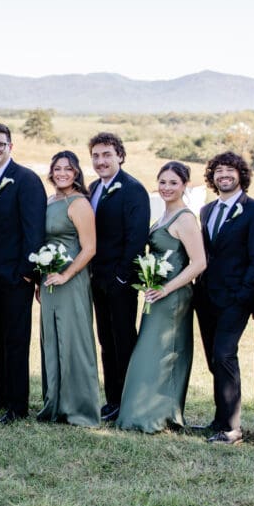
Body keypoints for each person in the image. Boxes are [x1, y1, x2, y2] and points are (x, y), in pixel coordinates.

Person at [117, 162, 206, 434]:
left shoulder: (185, 218)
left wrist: (167, 289)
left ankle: (157, 415)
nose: (167, 188)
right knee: (150, 352)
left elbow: (199, 262)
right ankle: (144, 412)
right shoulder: (164, 216)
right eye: (163, 182)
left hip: (173, 297)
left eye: (174, 183)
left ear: (184, 186)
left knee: (161, 353)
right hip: (155, 293)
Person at [194, 151, 254, 445]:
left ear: (241, 175)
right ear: (212, 177)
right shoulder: (206, 210)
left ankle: (232, 428)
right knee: (214, 358)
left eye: (229, 170)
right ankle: (219, 417)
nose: (223, 175)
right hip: (205, 297)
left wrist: (244, 297)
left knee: (225, 355)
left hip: (235, 298)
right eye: (218, 171)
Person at [0, 123, 46, 425]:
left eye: (0, 144)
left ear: (10, 147)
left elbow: (34, 229)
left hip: (16, 276)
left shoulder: (26, 180)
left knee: (16, 339)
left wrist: (28, 273)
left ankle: (17, 405)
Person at [87, 132, 149, 422]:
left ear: (120, 156)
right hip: (96, 279)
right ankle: (112, 400)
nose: (101, 161)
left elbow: (136, 239)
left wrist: (122, 278)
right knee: (105, 341)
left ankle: (129, 402)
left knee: (123, 341)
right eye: (96, 156)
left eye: (107, 155)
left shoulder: (133, 189)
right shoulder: (92, 188)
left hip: (120, 282)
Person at [38, 151, 99, 427]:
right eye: (57, 168)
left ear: (76, 173)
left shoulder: (79, 203)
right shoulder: (50, 200)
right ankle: (55, 402)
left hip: (71, 281)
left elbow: (89, 248)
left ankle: (79, 407)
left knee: (73, 339)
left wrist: (65, 275)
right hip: (49, 279)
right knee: (52, 338)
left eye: (68, 169)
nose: (62, 173)